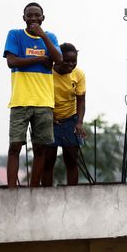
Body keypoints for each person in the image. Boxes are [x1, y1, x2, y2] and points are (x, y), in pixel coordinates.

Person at [3, 2, 63, 188]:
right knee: (15, 146)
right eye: (30, 16)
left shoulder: (50, 37)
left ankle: (33, 189)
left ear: (43, 18)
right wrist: (41, 59)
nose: (33, 19)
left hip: (44, 102)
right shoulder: (15, 35)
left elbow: (59, 59)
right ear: (24, 18)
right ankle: (11, 190)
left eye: (37, 16)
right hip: (20, 100)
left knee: (40, 148)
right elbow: (12, 62)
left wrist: (43, 36)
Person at [42, 43, 87, 186]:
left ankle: (72, 192)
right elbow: (41, 96)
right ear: (57, 58)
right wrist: (49, 116)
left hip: (70, 118)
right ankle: (46, 193)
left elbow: (81, 100)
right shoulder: (47, 72)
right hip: (50, 118)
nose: (70, 64)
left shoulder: (78, 74)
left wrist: (79, 122)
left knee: (72, 159)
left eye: (74, 61)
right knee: (48, 159)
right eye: (66, 60)